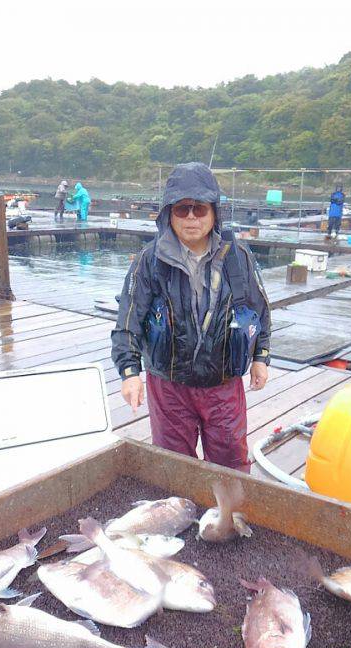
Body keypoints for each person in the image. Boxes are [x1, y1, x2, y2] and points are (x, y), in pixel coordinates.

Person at [111, 162, 271, 473]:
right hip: (169, 386)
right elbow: (128, 320)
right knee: (173, 468)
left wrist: (261, 357)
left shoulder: (238, 257)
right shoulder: (149, 260)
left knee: (230, 466)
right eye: (182, 209)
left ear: (214, 213)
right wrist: (129, 372)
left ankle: (226, 507)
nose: (191, 217)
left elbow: (260, 310)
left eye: (200, 209)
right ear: (169, 213)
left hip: (223, 384)